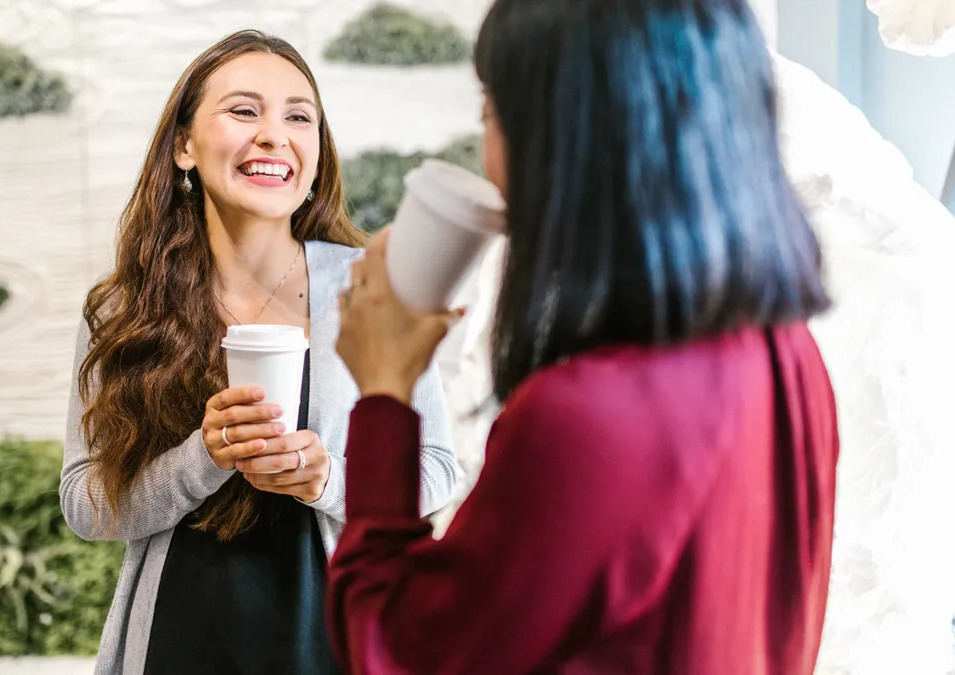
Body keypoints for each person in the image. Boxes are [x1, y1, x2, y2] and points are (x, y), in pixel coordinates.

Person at [327, 0, 840, 673]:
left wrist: (385, 393)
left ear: (568, 138)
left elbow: (397, 650)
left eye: (491, 111)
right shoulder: (786, 352)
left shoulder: (591, 416)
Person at [59, 30, 460, 675]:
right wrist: (204, 458)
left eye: (299, 116)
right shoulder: (122, 310)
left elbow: (438, 470)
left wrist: (326, 478)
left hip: (331, 644)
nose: (275, 134)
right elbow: (85, 503)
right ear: (184, 146)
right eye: (245, 110)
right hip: (174, 645)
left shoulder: (374, 290)